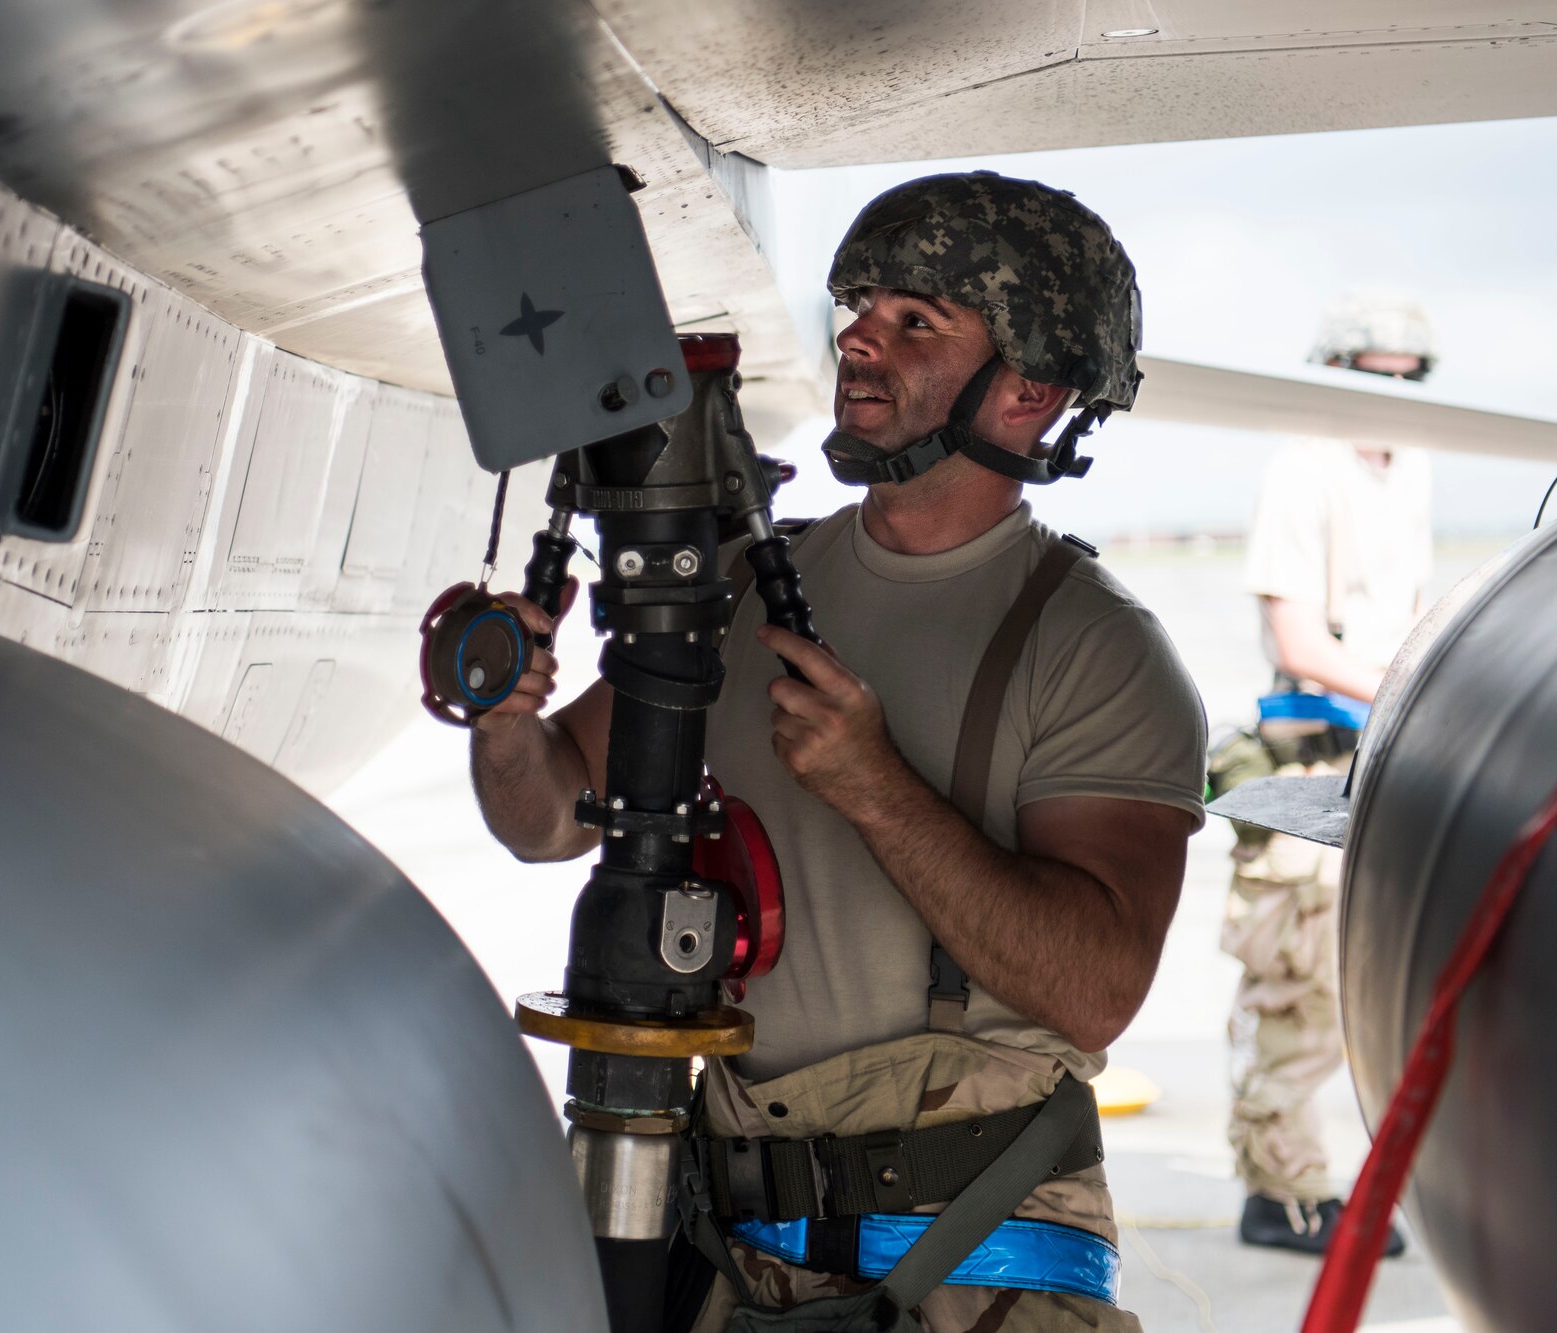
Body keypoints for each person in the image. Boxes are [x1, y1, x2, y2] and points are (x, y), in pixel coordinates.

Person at [459, 172, 1207, 1331]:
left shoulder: (1092, 646)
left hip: (971, 1268)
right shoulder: (749, 585)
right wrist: (509, 719)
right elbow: (549, 816)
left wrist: (874, 786)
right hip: (731, 1255)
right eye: (860, 304)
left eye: (916, 322)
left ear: (1028, 390)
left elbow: (1092, 987)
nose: (858, 336)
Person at [1225, 293, 1435, 1255]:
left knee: (1369, 980)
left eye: (1410, 377)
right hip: (1314, 758)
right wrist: (1420, 682)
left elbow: (1421, 610)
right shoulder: (1304, 466)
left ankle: (1313, 1175)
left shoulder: (1413, 462)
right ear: (1334, 369)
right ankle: (1284, 1195)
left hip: (1388, 750)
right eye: (1373, 374)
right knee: (1297, 984)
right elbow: (1300, 640)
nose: (1393, 394)